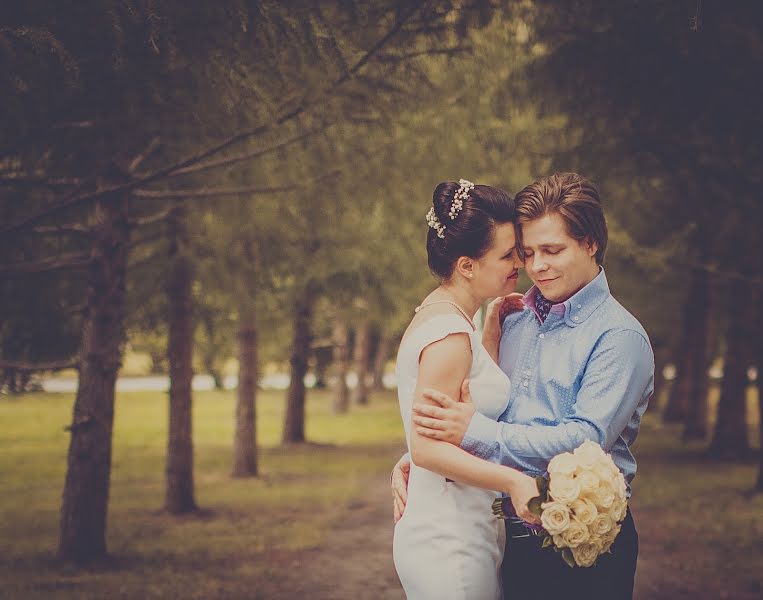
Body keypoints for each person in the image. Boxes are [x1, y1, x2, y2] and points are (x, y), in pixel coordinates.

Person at [391, 173, 654, 600]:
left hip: (582, 544)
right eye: (526, 252)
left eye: (552, 250)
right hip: (507, 537)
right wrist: (421, 457)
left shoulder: (619, 338)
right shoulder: (513, 317)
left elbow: (585, 438)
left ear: (590, 243)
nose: (536, 266)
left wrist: (469, 434)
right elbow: (487, 406)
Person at [393, 179, 541, 600]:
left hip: (464, 526)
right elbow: (427, 449)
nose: (521, 262)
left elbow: (467, 407)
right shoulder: (449, 335)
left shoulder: (454, 319)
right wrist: (512, 481)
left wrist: (490, 336)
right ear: (467, 266)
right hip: (449, 540)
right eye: (507, 255)